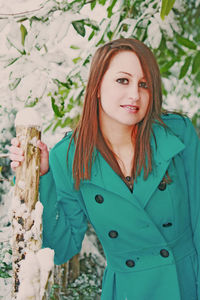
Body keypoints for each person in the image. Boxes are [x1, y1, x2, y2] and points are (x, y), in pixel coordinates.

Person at [10, 38, 200, 300]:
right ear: (97, 85)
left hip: (185, 283)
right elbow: (63, 247)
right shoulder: (67, 156)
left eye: (144, 84)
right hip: (128, 291)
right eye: (123, 80)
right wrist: (43, 178)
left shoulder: (177, 134)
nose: (135, 94)